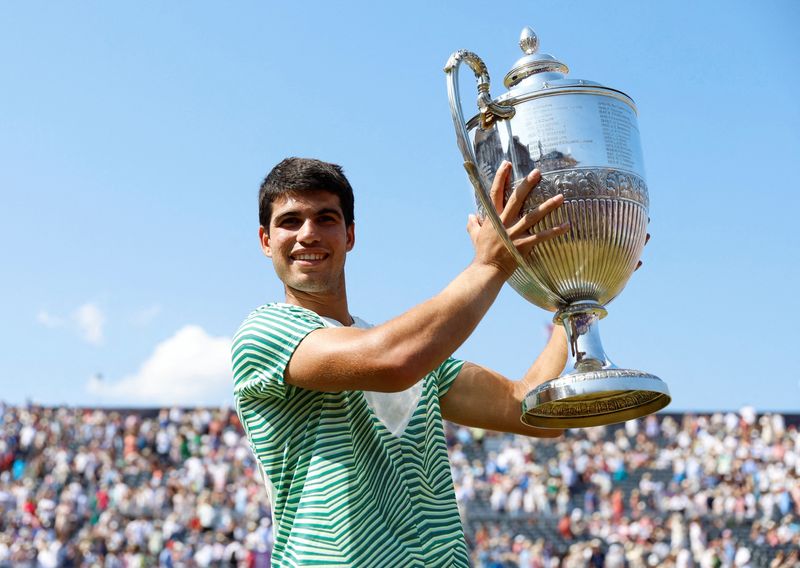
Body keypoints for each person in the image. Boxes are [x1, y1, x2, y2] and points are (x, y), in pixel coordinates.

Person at [231, 157, 571, 567]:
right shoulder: (265, 332)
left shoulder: (409, 348)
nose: (308, 234)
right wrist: (492, 264)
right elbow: (393, 361)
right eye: (290, 221)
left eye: (325, 218)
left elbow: (528, 407)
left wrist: (575, 305)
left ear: (350, 235)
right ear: (265, 241)